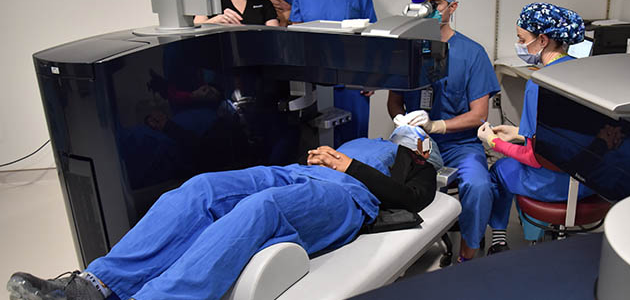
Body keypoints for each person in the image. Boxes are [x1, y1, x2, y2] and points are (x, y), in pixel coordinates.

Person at [7, 126, 440, 300]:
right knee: (202, 188)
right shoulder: (358, 137)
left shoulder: (420, 161)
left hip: (348, 199)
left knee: (261, 209)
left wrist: (351, 166)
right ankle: (95, 286)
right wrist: (322, 157)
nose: (404, 128)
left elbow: (413, 200)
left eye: (413, 129)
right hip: (296, 173)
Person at [388, 0, 500, 262]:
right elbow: (394, 101)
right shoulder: (408, 49)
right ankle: (402, 255)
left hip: (460, 145)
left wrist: (437, 125)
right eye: (424, 3)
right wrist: (402, 122)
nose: (430, 9)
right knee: (387, 181)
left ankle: (468, 253)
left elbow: (479, 115)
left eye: (436, 3)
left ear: (453, 7)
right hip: (417, 143)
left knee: (478, 185)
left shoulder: (472, 53)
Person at [477, 2, 595, 254]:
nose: (519, 44)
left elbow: (532, 156)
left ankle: (499, 239)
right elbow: (568, 134)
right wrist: (520, 132)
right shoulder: (586, 72)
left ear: (542, 40)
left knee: (498, 169)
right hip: (589, 183)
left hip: (555, 186)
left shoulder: (539, 84)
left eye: (522, 38)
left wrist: (493, 143)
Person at [289, 0, 378, 146]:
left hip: (352, 80)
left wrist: (371, 78)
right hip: (314, 80)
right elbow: (296, 34)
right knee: (316, 146)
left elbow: (373, 36)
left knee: (354, 147)